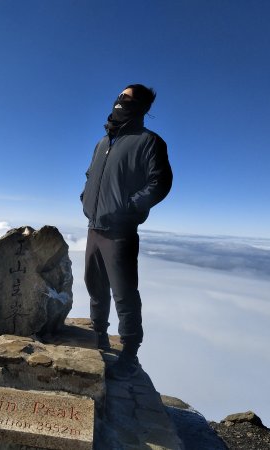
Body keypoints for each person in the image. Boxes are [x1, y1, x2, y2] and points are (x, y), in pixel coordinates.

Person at [80, 84, 173, 380]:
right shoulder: (103, 142)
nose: (120, 101)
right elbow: (89, 174)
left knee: (123, 294)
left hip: (120, 232)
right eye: (119, 96)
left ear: (142, 107)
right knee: (95, 286)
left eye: (127, 98)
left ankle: (129, 354)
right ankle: (99, 337)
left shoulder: (149, 142)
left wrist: (129, 208)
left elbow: (160, 183)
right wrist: (85, 197)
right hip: (94, 227)